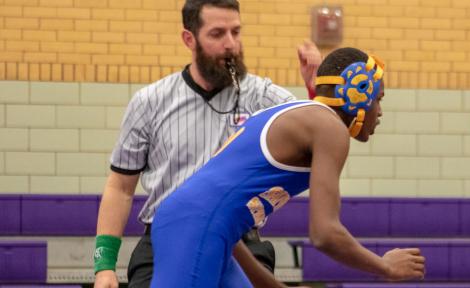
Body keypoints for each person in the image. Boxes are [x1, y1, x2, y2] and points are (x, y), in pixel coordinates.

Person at [149, 47, 426, 287]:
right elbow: (324, 233)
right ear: (358, 93)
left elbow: (223, 222)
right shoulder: (330, 128)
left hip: (200, 226)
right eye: (378, 99)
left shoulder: (295, 115)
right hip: (196, 225)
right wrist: (385, 266)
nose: (380, 112)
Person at [92, 0, 322, 287]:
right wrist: (104, 266)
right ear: (189, 39)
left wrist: (316, 91)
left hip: (241, 243)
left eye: (236, 32)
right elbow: (120, 188)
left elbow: (319, 140)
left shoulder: (261, 96)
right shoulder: (149, 102)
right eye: (217, 34)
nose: (231, 44)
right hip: (166, 240)